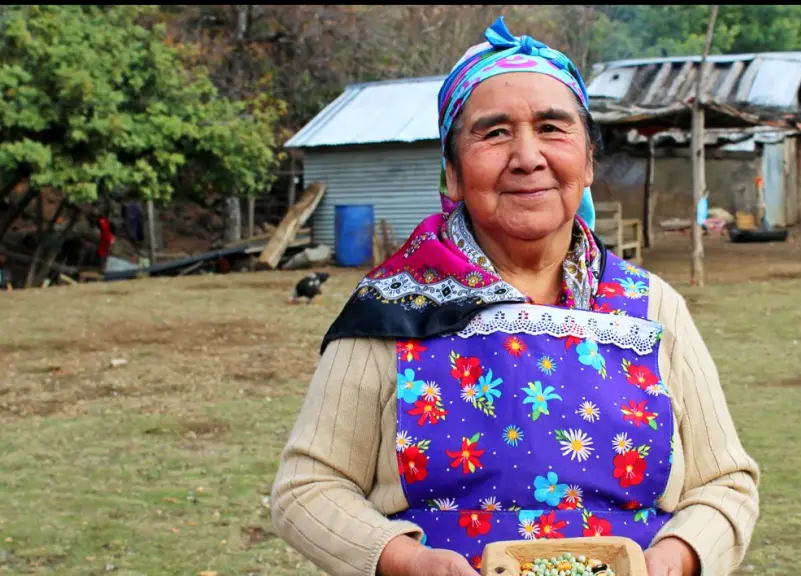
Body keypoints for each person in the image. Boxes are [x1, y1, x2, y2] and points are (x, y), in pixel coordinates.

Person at [271, 17, 759, 576]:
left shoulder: (652, 309)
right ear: (452, 173)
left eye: (553, 128)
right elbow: (308, 489)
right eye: (494, 133)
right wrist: (409, 563)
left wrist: (678, 558)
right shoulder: (395, 307)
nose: (528, 156)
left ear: (590, 162)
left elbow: (726, 483)